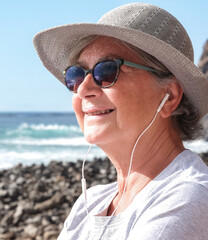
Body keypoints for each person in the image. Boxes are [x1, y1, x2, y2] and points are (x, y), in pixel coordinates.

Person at [33, 3, 208, 240]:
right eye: (76, 74)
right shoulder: (91, 203)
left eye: (106, 72)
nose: (83, 89)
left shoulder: (188, 197)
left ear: (170, 97)